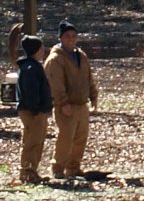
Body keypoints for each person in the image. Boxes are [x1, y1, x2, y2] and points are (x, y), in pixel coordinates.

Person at [44, 20, 98, 179]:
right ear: (60, 38)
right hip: (65, 107)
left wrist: (93, 96)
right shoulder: (55, 59)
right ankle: (58, 168)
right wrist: (62, 103)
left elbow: (89, 78)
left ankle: (73, 168)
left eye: (74, 36)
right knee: (65, 138)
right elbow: (55, 84)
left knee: (81, 138)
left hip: (81, 105)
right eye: (67, 36)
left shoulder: (81, 56)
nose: (71, 39)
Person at [16, 34, 52, 184]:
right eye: (41, 47)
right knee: (32, 142)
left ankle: (32, 171)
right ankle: (28, 173)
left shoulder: (31, 66)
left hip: (35, 110)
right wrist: (36, 109)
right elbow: (31, 91)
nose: (44, 50)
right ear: (36, 49)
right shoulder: (31, 68)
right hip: (33, 112)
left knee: (36, 141)